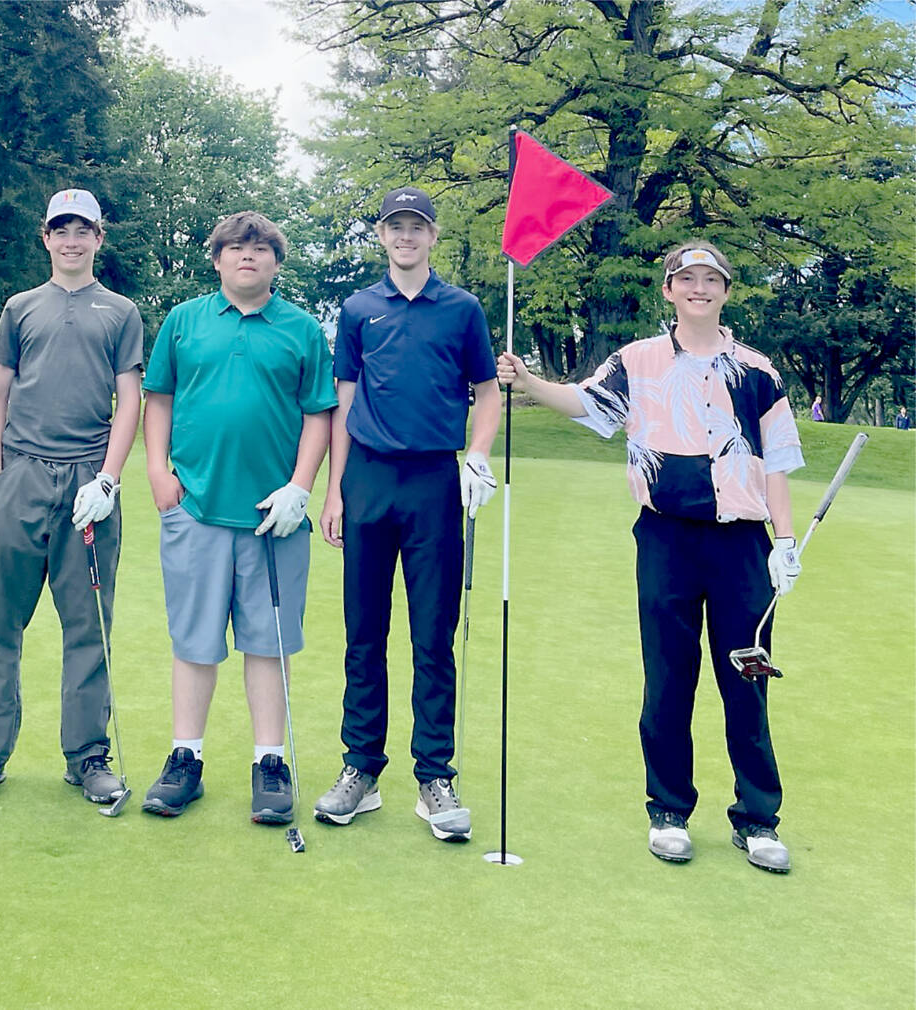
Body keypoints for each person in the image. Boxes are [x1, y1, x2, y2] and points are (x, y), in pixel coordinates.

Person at [496, 241, 804, 873]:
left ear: (725, 291)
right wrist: (527, 382)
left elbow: (776, 462)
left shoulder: (758, 370)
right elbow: (586, 403)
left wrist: (785, 541)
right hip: (665, 537)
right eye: (687, 279)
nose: (699, 289)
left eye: (711, 280)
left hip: (742, 543)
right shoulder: (636, 361)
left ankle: (757, 818)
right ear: (669, 290)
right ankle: (668, 810)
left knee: (746, 677)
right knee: (668, 677)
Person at [314, 186, 501, 843]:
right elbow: (343, 401)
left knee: (432, 634)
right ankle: (361, 769)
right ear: (382, 234)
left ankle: (434, 776)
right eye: (395, 226)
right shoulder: (359, 309)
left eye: (416, 226)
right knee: (364, 632)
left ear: (432, 235)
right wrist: (335, 491)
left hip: (433, 482)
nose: (405, 236)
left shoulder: (462, 309)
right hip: (368, 477)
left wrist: (478, 455)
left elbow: (487, 392)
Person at [140, 211, 336, 824]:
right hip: (196, 506)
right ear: (217, 258)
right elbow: (158, 398)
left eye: (260, 248)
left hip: (274, 517)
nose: (247, 256)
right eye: (235, 247)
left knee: (267, 643)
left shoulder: (302, 329)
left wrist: (301, 487)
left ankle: (269, 763)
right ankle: (185, 759)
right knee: (194, 641)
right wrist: (158, 472)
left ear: (276, 262)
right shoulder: (184, 320)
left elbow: (319, 413)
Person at [0, 190, 143, 807]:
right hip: (22, 477)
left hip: (88, 482)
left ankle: (87, 755)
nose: (72, 241)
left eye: (83, 230)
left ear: (98, 238)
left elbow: (129, 400)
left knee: (88, 626)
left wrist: (108, 479)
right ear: (46, 237)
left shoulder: (121, 312)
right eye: (62, 230)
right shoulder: (20, 307)